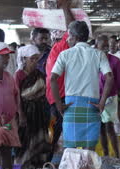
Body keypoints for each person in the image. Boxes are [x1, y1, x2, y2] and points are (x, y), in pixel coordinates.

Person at [50, 21, 113, 150]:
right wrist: (102, 102)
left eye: (69, 35)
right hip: (92, 106)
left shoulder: (65, 54)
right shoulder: (98, 54)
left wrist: (58, 104)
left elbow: (52, 79)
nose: (68, 39)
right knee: (89, 149)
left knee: (71, 148)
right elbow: (110, 77)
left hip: (71, 106)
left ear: (74, 37)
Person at [45, 1, 75, 157]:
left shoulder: (61, 48)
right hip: (58, 100)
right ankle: (49, 159)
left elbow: (72, 27)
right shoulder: (58, 49)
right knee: (56, 133)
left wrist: (64, 7)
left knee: (54, 133)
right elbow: (72, 27)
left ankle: (48, 159)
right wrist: (65, 8)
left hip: (57, 100)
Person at [14, 45, 50, 169]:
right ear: (24, 59)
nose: (35, 62)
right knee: (25, 140)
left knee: (38, 138)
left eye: (36, 59)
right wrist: (21, 114)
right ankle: (23, 167)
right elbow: (17, 96)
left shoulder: (39, 74)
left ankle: (38, 167)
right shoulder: (18, 75)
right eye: (32, 59)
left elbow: (44, 94)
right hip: (26, 111)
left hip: (39, 112)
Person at [96, 35, 120, 158]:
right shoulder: (93, 60)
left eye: (107, 46)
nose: (106, 49)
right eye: (103, 46)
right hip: (95, 97)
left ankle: (117, 155)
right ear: (97, 45)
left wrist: (111, 93)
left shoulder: (115, 61)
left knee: (109, 126)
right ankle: (106, 154)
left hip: (110, 98)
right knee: (101, 128)